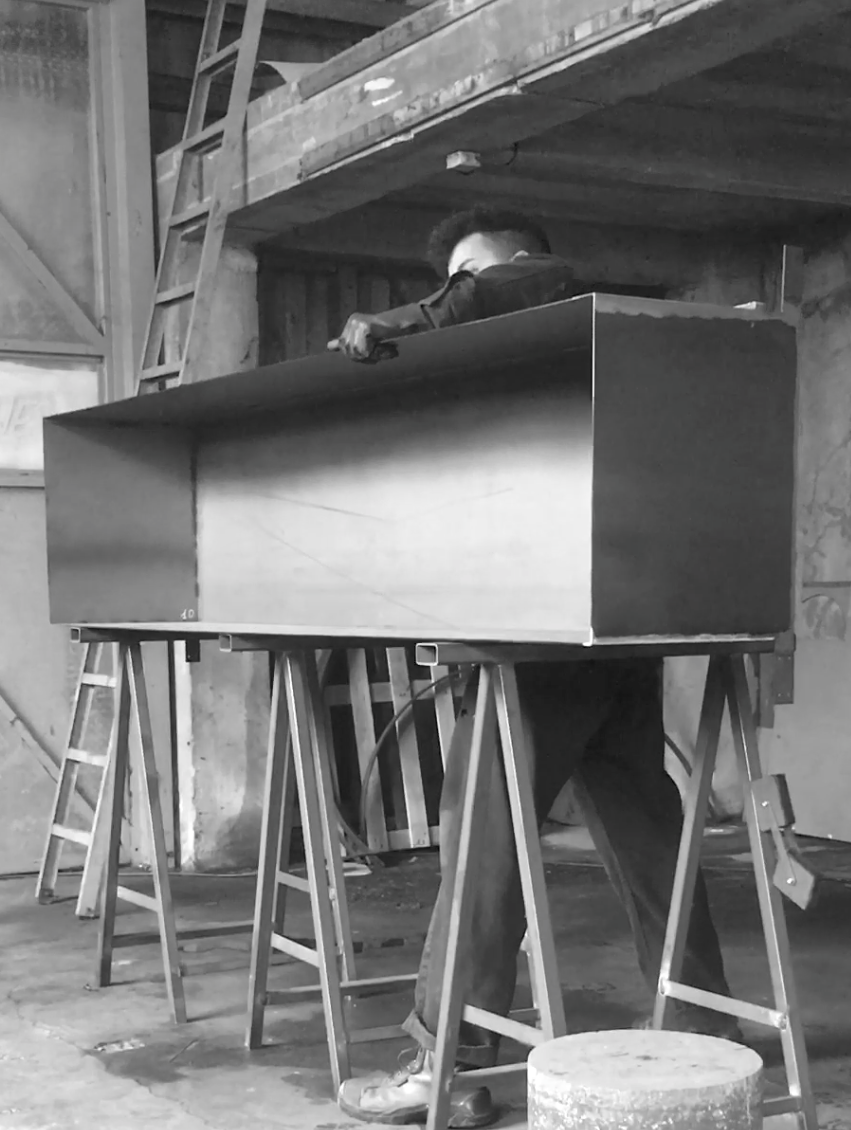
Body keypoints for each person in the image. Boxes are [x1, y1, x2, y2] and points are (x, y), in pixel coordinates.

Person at [327, 208, 740, 1128]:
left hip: (544, 642)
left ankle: (445, 1063)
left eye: (468, 277)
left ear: (514, 262)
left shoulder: (550, 293)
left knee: (484, 843)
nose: (459, 296)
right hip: (607, 633)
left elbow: (523, 279)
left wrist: (415, 317)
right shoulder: (557, 363)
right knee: (648, 839)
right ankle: (705, 1022)